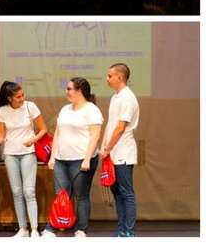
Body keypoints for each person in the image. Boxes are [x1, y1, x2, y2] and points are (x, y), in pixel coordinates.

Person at [43, 77, 102, 238]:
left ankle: (81, 228)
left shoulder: (92, 110)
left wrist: (87, 159)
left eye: (69, 89)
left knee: (81, 195)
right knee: (61, 194)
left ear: (79, 91)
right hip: (61, 159)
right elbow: (57, 133)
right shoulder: (65, 109)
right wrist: (52, 157)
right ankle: (52, 227)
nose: (67, 91)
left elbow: (95, 135)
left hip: (81, 159)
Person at [0, 81, 48, 238]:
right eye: (18, 97)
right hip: (10, 153)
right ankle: (23, 228)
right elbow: (2, 135)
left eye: (23, 95)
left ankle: (35, 229)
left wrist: (33, 140)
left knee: (29, 191)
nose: (22, 98)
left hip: (28, 152)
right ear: (9, 98)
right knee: (17, 192)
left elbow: (43, 129)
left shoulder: (31, 106)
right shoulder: (2, 110)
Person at [99, 64, 139, 237]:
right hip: (112, 152)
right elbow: (111, 125)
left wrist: (108, 148)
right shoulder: (116, 97)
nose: (107, 79)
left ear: (120, 78)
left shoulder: (128, 98)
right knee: (117, 193)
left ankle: (129, 231)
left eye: (109, 76)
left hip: (123, 153)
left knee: (126, 192)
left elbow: (121, 127)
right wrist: (104, 147)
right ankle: (122, 229)